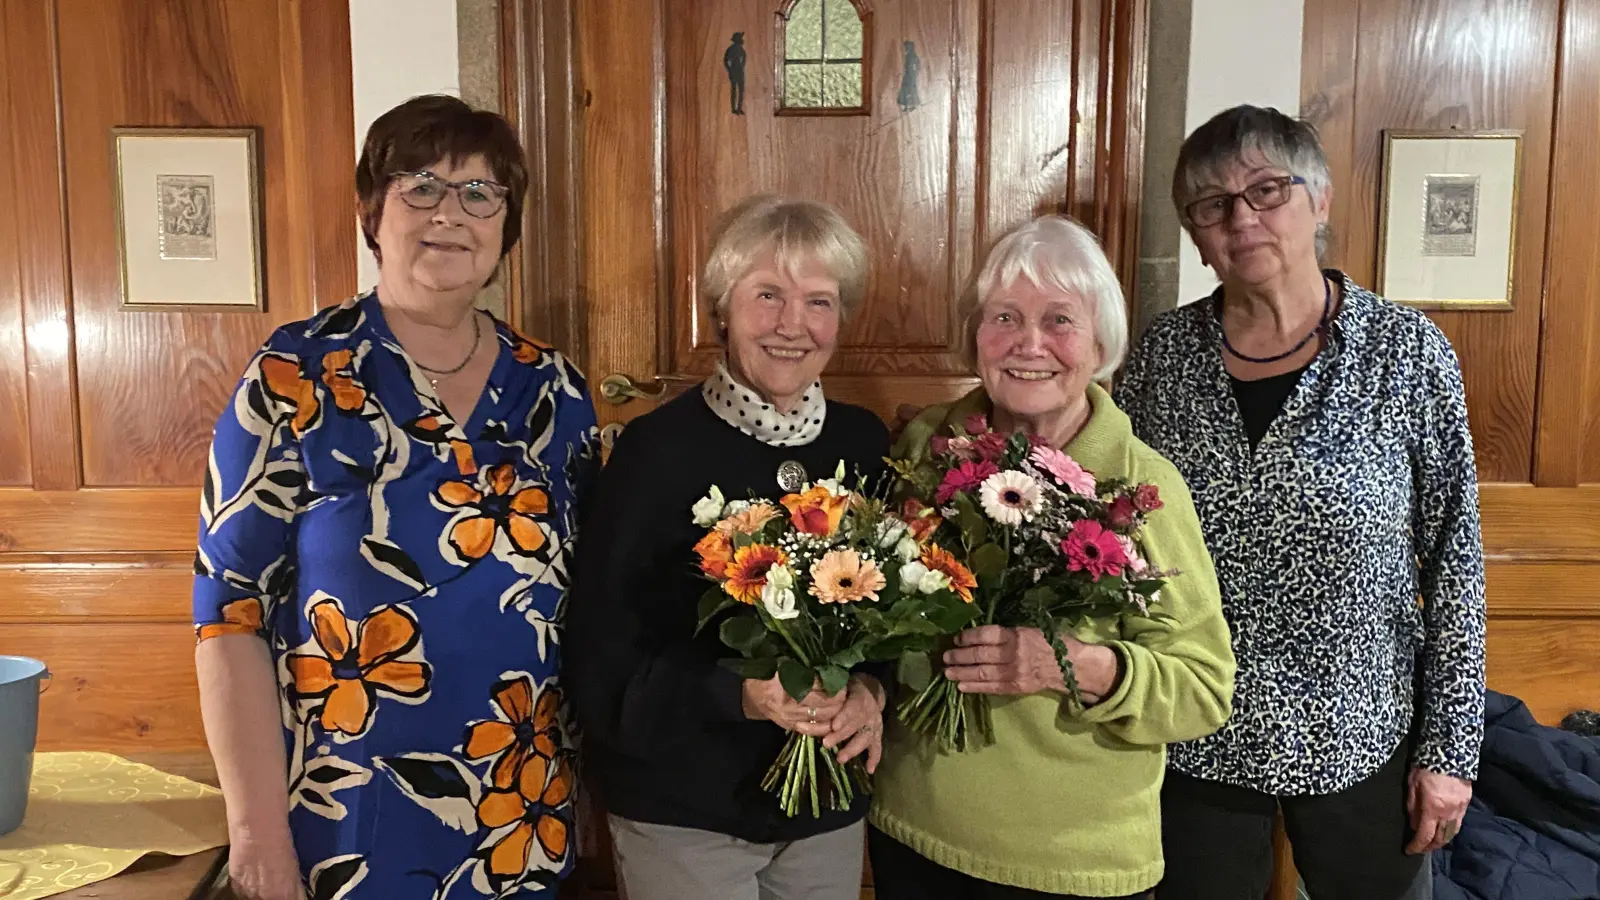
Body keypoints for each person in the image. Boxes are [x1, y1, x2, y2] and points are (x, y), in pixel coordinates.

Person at [193, 95, 598, 900]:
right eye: (422, 185)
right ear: (373, 210)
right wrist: (256, 829)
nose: (451, 213)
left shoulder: (555, 389)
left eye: (480, 193)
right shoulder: (295, 374)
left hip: (523, 808)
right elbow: (227, 613)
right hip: (342, 813)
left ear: (505, 229)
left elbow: (588, 606)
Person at [1114, 105, 1487, 900]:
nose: (1241, 218)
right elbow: (1119, 538)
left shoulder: (1406, 353)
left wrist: (1450, 751)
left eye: (1266, 189)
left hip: (1362, 730)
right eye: (1211, 206)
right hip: (1196, 732)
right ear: (1197, 236)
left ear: (1318, 200)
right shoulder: (1160, 358)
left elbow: (1456, 559)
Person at [869, 215, 1236, 899]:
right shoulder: (927, 445)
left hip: (1075, 862)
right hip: (913, 832)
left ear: (1101, 343)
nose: (1028, 344)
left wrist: (1067, 666)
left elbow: (1203, 689)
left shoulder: (1143, 489)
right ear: (975, 335)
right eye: (1004, 316)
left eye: (1059, 319)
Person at [565, 195, 890, 900]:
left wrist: (869, 691)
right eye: (767, 295)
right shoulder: (654, 452)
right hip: (686, 808)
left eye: (819, 301)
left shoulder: (865, 444)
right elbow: (600, 657)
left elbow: (891, 618)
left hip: (821, 804)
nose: (792, 325)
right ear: (722, 309)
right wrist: (737, 693)